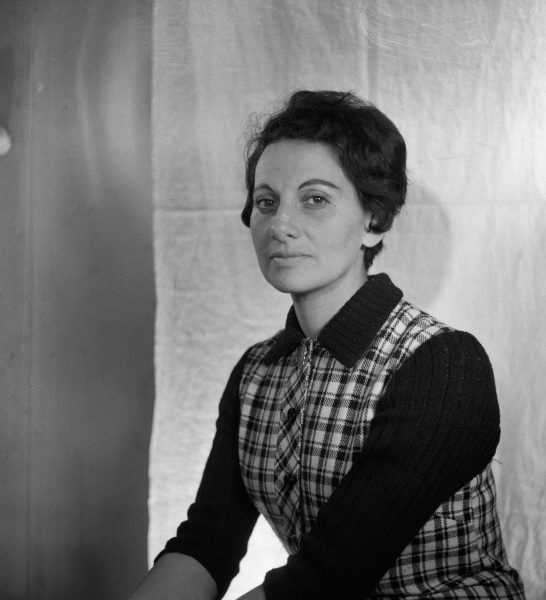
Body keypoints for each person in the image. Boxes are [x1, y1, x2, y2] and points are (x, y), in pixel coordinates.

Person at [130, 90, 525, 600]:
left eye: (315, 199)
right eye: (266, 202)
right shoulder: (256, 372)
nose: (280, 225)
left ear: (373, 221)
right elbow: (206, 543)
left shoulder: (442, 364)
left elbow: (327, 578)